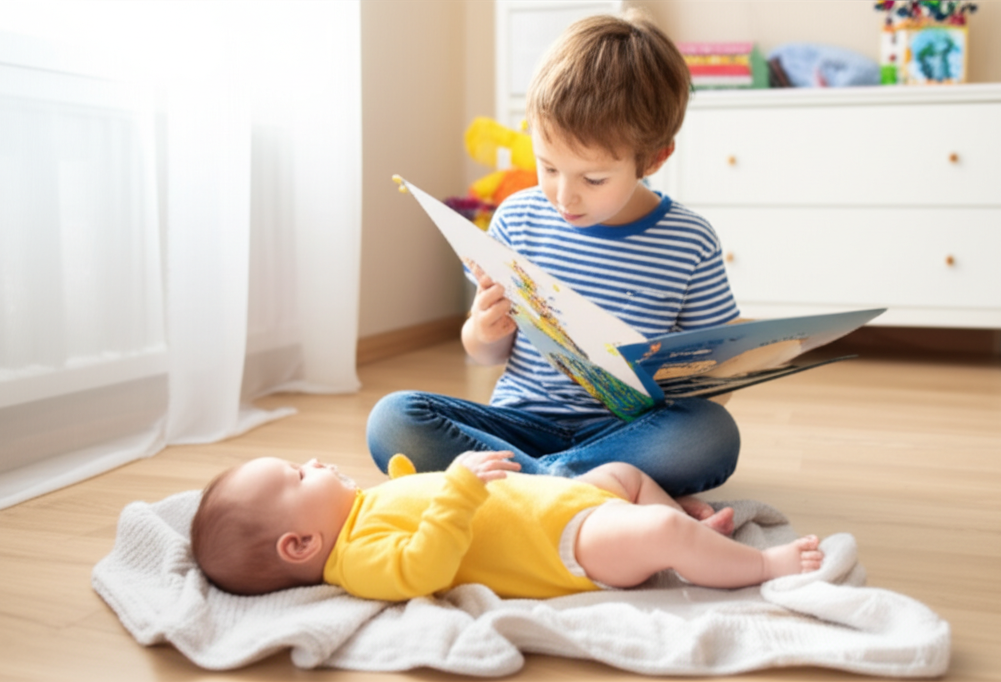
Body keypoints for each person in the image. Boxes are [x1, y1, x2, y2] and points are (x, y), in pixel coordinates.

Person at [366, 9, 741, 500]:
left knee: (711, 432)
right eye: (548, 167)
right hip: (515, 426)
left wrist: (694, 376)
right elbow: (483, 354)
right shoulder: (516, 218)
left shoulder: (689, 240)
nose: (564, 197)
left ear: (654, 159)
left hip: (626, 436)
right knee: (393, 420)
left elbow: (718, 379)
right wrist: (483, 330)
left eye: (593, 179)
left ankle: (533, 488)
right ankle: (575, 488)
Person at [190, 452, 823, 600]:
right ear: (300, 544)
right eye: (301, 478)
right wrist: (457, 488)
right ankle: (759, 566)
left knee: (626, 473)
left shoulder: (359, 511)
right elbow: (424, 566)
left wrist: (422, 479)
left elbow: (419, 499)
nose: (317, 465)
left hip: (565, 501)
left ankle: (696, 545)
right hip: (567, 546)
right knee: (657, 526)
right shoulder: (355, 558)